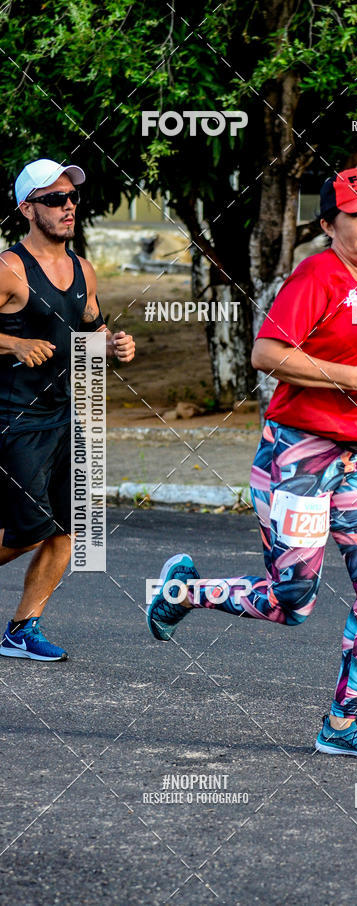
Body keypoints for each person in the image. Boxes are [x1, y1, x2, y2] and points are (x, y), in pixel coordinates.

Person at [147, 167, 357, 760]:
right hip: (299, 458)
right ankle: (183, 592)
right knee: (292, 602)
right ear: (330, 223)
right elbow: (265, 353)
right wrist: (351, 378)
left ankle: (340, 722)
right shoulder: (317, 275)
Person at [0, 158, 135, 662]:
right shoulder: (9, 269)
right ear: (27, 208)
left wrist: (115, 347)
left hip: (67, 415)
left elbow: (91, 335)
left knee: (70, 529)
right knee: (27, 530)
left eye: (71, 197)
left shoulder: (83, 269)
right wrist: (12, 345)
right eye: (54, 199)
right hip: (15, 419)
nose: (68, 206)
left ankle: (22, 628)